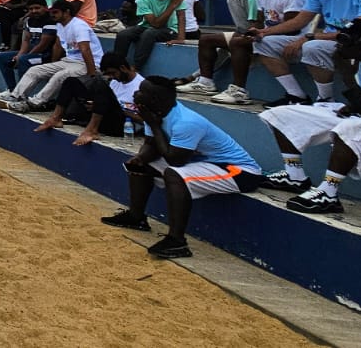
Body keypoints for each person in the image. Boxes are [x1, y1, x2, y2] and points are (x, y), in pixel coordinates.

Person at [100, 77, 263, 259]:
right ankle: (136, 217)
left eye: (141, 91)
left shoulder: (186, 122)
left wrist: (154, 125)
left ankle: (177, 242)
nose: (136, 93)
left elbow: (175, 161)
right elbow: (152, 145)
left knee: (173, 174)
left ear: (155, 99)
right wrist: (140, 158)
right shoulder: (153, 112)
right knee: (141, 165)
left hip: (239, 171)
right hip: (205, 162)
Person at [269, 22, 361, 219]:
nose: (341, 46)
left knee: (350, 128)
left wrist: (346, 74)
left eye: (348, 41)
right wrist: (352, 105)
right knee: (283, 114)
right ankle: (294, 175)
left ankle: (329, 192)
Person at [0, 0, 103, 112]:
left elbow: (85, 49)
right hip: (69, 61)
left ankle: (34, 103)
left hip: (88, 63)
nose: (52, 15)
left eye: (55, 12)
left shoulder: (78, 26)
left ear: (66, 12)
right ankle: (15, 97)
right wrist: (52, 65)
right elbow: (57, 46)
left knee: (60, 75)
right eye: (51, 12)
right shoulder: (60, 26)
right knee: (35, 70)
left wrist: (92, 74)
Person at [34, 53, 143, 146]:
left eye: (113, 73)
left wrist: (111, 108)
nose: (112, 77)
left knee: (99, 83)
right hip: (104, 118)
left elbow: (145, 120)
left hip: (121, 126)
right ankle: (56, 118)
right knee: (71, 81)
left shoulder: (141, 86)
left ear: (123, 68)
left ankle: (92, 130)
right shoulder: (115, 82)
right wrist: (97, 105)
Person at [113, 0, 187, 69]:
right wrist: (173, 5)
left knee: (149, 33)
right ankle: (117, 66)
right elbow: (155, 24)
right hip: (150, 26)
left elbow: (181, 16)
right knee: (123, 34)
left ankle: (136, 67)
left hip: (169, 29)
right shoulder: (144, 0)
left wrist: (181, 38)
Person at [0, 0, 57, 90]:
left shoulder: (51, 21)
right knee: (2, 57)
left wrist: (23, 57)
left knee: (24, 60)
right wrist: (19, 55)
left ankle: (20, 94)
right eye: (31, 9)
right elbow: (26, 41)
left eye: (37, 8)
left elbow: (43, 45)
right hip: (30, 54)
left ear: (45, 7)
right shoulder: (29, 21)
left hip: (45, 57)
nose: (34, 11)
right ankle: (12, 90)